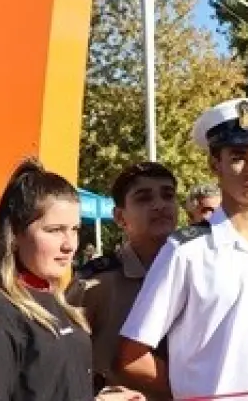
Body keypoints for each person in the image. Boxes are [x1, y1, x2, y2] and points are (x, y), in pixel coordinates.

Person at [117, 97, 248, 401]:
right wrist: (191, 391)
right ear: (214, 164)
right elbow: (133, 356)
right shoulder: (186, 252)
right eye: (237, 157)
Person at [0, 159, 141, 401]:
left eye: (74, 229)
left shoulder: (55, 304)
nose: (69, 245)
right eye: (54, 230)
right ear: (15, 234)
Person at [70, 161, 179, 397]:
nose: (159, 205)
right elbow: (63, 362)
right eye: (144, 198)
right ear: (120, 217)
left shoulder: (197, 272)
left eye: (168, 196)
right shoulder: (96, 284)